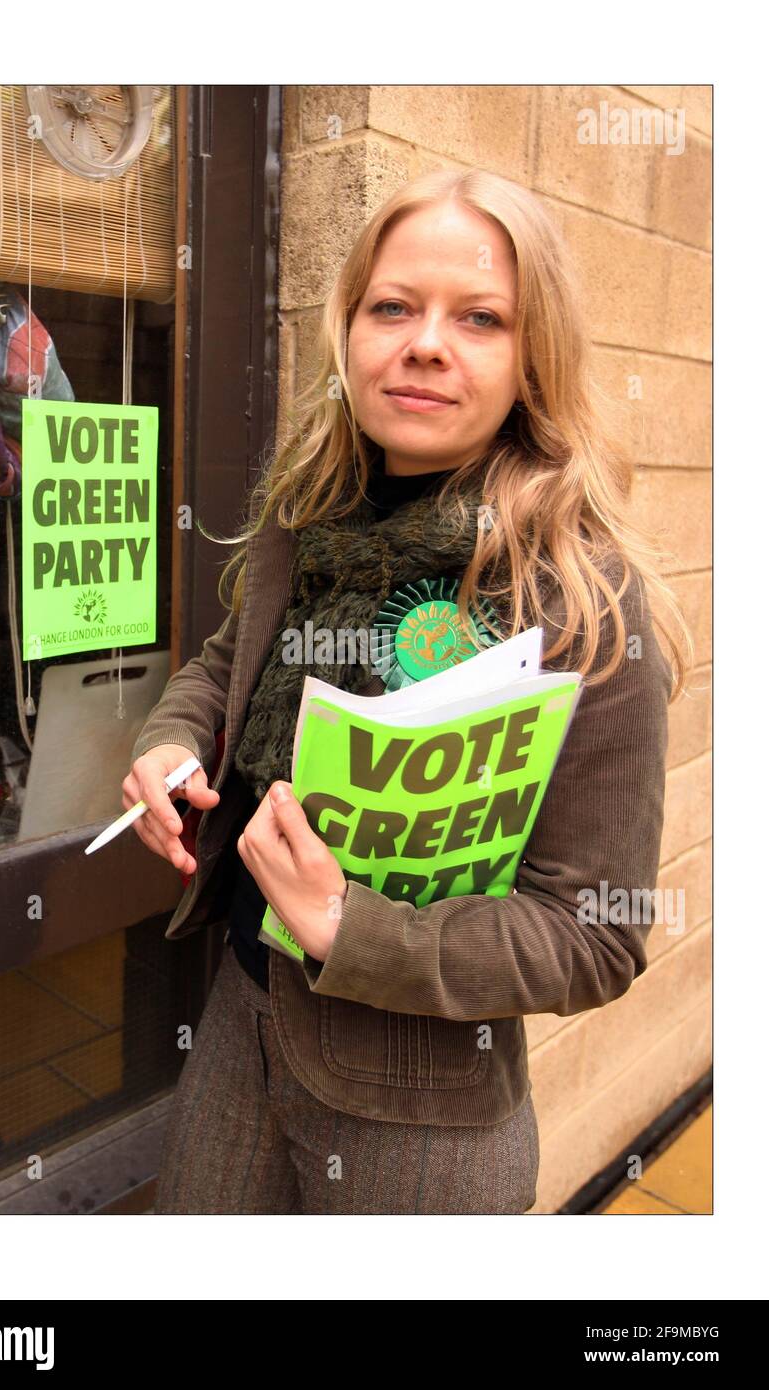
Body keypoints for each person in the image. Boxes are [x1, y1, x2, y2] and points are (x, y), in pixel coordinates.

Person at [122, 167, 693, 1215]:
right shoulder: (311, 512)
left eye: (480, 318)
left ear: (533, 362)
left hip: (419, 1117)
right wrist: (172, 741)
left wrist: (348, 925)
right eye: (392, 306)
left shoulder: (574, 598)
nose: (424, 342)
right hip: (240, 1018)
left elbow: (596, 935)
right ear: (347, 332)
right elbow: (222, 662)